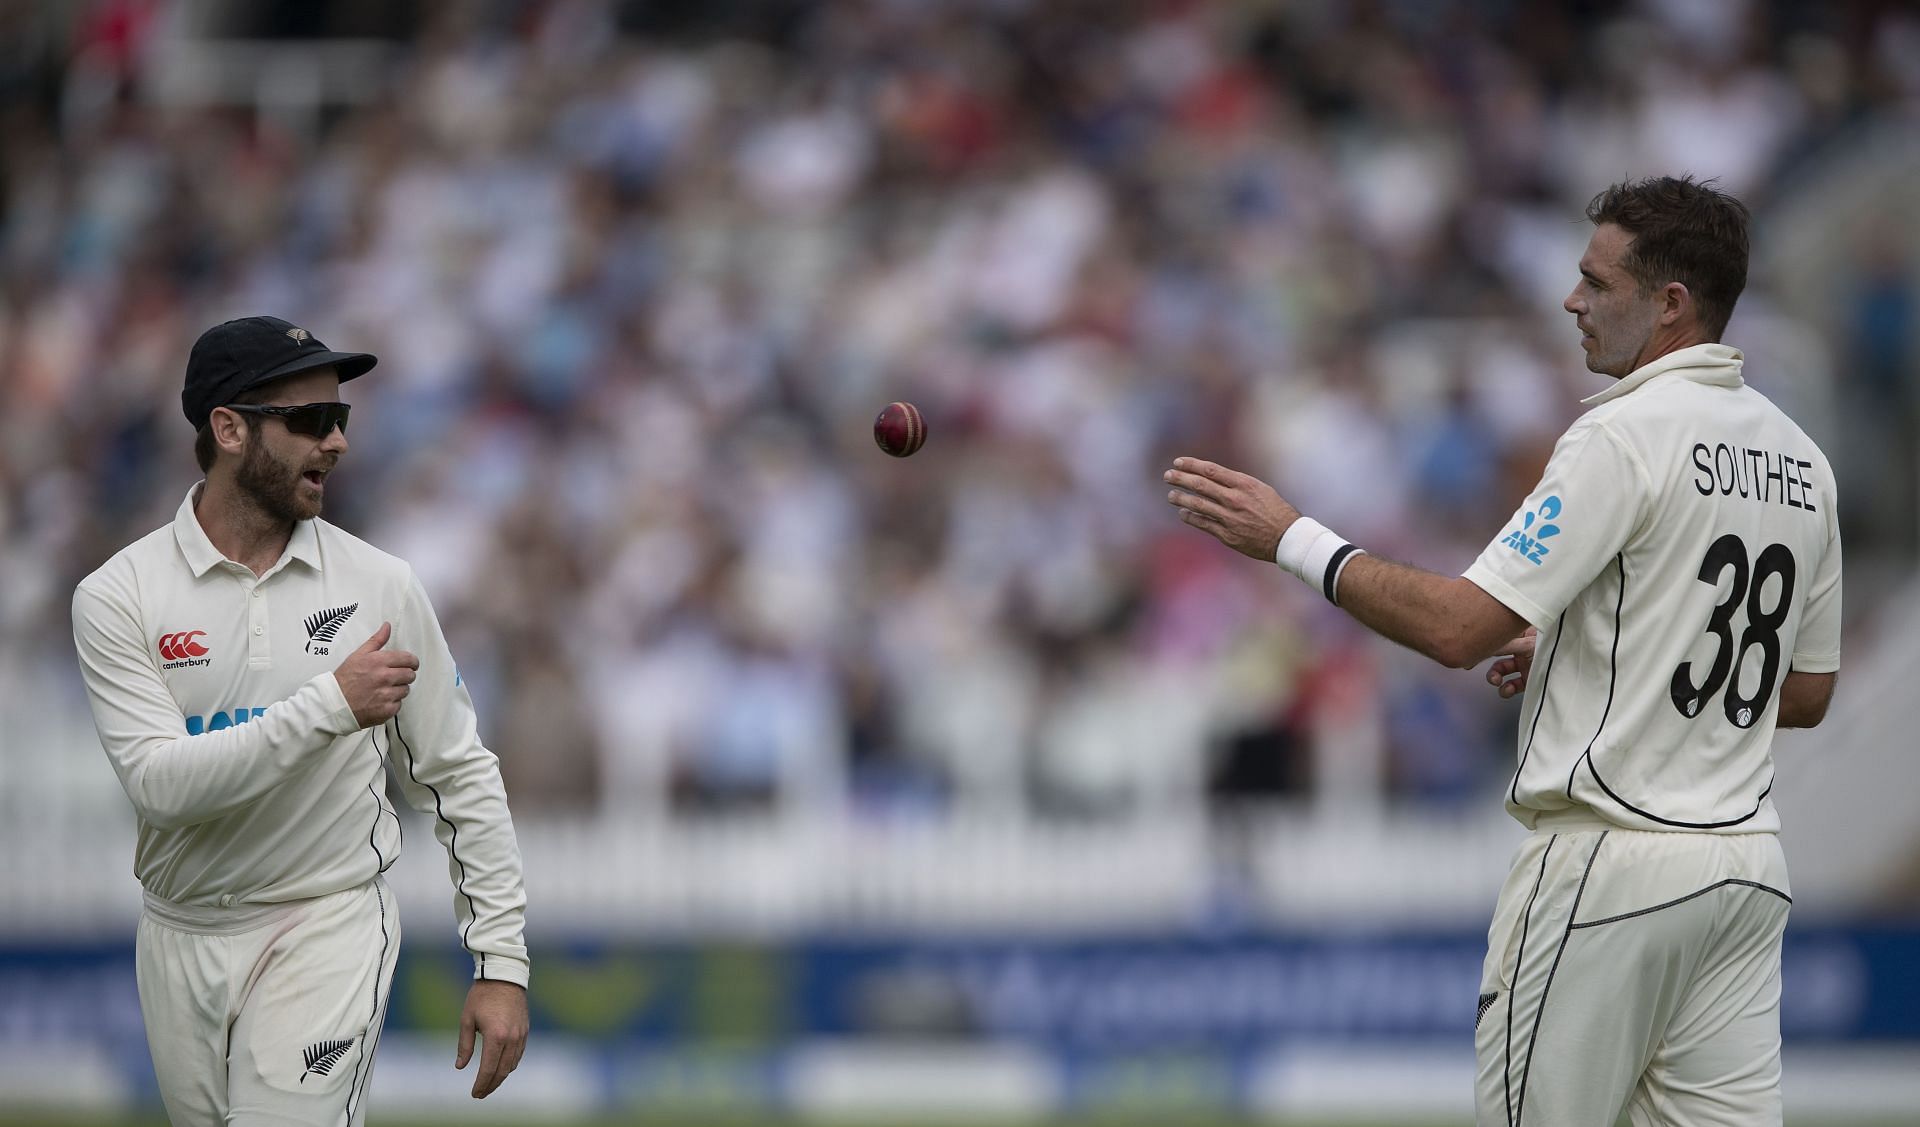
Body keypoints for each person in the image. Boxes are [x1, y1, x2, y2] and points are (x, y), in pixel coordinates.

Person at [1165, 176, 1840, 1125]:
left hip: (1609, 864)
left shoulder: (1621, 434)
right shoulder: (1801, 459)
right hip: (1741, 871)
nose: (1572, 300)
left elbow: (1454, 629)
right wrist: (1593, 650)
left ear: (1671, 304)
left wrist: (1291, 537)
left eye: (1596, 281)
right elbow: (1804, 689)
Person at [70, 316, 532, 1126]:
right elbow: (162, 787)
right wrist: (331, 705)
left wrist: (501, 961)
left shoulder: (380, 585)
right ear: (229, 428)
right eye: (309, 421)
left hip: (327, 918)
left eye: (340, 419)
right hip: (181, 932)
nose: (337, 442)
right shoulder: (119, 596)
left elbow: (458, 773)